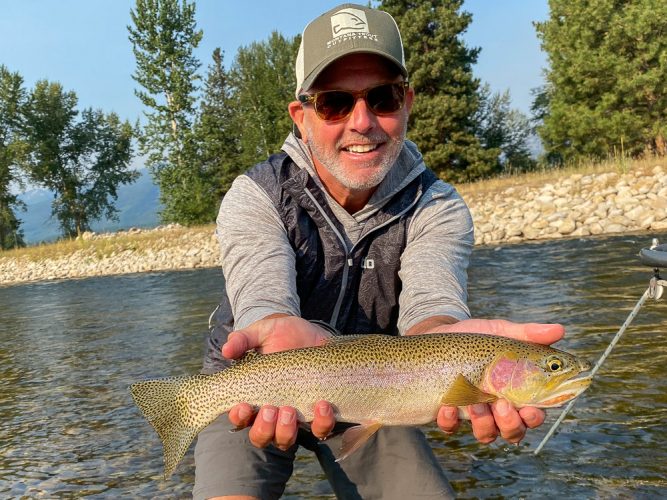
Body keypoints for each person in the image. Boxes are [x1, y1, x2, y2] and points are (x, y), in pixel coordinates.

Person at [194, 4, 564, 499]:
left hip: (381, 391)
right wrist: (273, 326)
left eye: (383, 98)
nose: (362, 122)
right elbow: (262, 296)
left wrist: (450, 342)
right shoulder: (256, 194)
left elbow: (430, 311)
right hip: (252, 385)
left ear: (407, 102)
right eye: (334, 103)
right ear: (301, 116)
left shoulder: (437, 206)